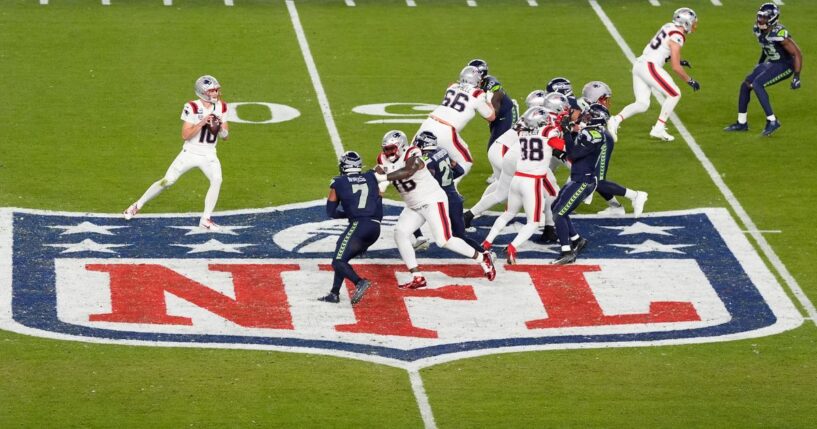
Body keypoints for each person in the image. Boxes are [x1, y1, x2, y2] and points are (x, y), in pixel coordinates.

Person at [375, 130, 496, 289]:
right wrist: (374, 179)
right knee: (400, 233)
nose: (388, 153)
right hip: (413, 205)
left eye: (392, 149)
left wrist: (384, 178)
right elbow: (377, 172)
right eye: (386, 149)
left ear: (402, 146)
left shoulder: (413, 153)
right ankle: (417, 277)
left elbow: (408, 171)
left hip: (432, 200)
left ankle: (482, 258)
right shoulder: (382, 159)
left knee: (444, 240)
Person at [123, 75, 230, 231]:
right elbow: (185, 135)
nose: (216, 93)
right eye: (212, 91)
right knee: (168, 181)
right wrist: (202, 122)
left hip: (209, 154)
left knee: (217, 179)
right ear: (203, 92)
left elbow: (226, 137)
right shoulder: (192, 107)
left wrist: (219, 128)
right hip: (190, 152)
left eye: (216, 90)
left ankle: (205, 219)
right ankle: (136, 206)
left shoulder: (222, 106)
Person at [482, 102, 564, 264]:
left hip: (517, 179)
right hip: (532, 182)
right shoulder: (548, 132)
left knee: (508, 214)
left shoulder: (523, 133)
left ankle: (487, 242)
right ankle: (512, 247)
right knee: (533, 222)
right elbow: (562, 146)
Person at [607, 7, 700, 142]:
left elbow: (662, 49)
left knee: (642, 103)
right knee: (675, 94)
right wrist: (690, 80)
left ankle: (615, 120)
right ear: (686, 22)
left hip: (640, 64)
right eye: (692, 22)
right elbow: (675, 67)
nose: (694, 25)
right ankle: (658, 128)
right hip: (649, 66)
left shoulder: (668, 26)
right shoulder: (677, 36)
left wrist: (678, 60)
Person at [724, 3, 802, 136]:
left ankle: (772, 121)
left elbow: (797, 54)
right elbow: (766, 47)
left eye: (765, 17)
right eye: (760, 16)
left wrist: (796, 76)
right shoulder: (758, 29)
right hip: (772, 63)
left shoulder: (779, 33)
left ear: (773, 19)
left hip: (785, 65)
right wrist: (760, 63)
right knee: (746, 85)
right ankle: (742, 123)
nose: (761, 20)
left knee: (757, 84)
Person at [318, 151, 383, 305]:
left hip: (359, 226)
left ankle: (359, 282)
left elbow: (331, 212)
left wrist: (349, 214)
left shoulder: (338, 182)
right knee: (341, 255)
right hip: (375, 227)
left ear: (343, 166)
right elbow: (379, 200)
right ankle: (334, 293)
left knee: (338, 261)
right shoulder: (371, 176)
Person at [551, 104, 613, 265]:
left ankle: (567, 252)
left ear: (596, 119)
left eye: (589, 115)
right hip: (578, 178)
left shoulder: (594, 135)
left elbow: (574, 154)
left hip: (584, 181)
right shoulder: (589, 131)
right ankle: (577, 240)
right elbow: (574, 150)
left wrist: (567, 132)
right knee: (555, 207)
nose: (585, 117)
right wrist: (568, 133)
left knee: (559, 214)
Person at [414, 65, 496, 180]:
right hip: (446, 130)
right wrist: (489, 100)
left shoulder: (452, 87)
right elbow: (491, 116)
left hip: (428, 123)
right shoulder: (478, 94)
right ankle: (449, 187)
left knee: (411, 156)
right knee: (466, 162)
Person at [581, 81, 648, 217]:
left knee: (597, 181)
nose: (607, 102)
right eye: (604, 99)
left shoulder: (595, 109)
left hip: (602, 142)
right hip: (594, 141)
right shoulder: (585, 106)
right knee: (593, 178)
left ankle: (636, 196)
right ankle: (615, 207)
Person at [413, 131, 484, 254]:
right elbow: (459, 171)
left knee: (413, 207)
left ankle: (420, 238)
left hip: (440, 200)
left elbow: (428, 178)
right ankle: (485, 253)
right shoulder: (442, 151)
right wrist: (447, 180)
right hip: (454, 198)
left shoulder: (426, 160)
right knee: (460, 236)